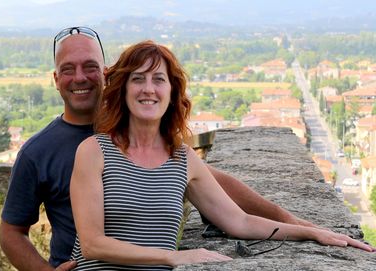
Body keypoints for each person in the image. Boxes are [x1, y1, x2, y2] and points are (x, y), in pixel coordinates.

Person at [0, 26, 321, 271]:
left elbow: (218, 189)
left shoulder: (147, 132)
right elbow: (12, 232)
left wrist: (296, 224)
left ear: (108, 74)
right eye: (68, 69)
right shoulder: (38, 152)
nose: (79, 77)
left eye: (89, 66)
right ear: (56, 79)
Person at [68, 40, 374, 270]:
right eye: (138, 79)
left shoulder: (182, 159)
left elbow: (238, 221)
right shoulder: (95, 152)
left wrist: (309, 233)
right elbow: (93, 245)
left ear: (172, 92)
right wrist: (172, 256)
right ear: (123, 89)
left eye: (158, 79)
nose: (148, 89)